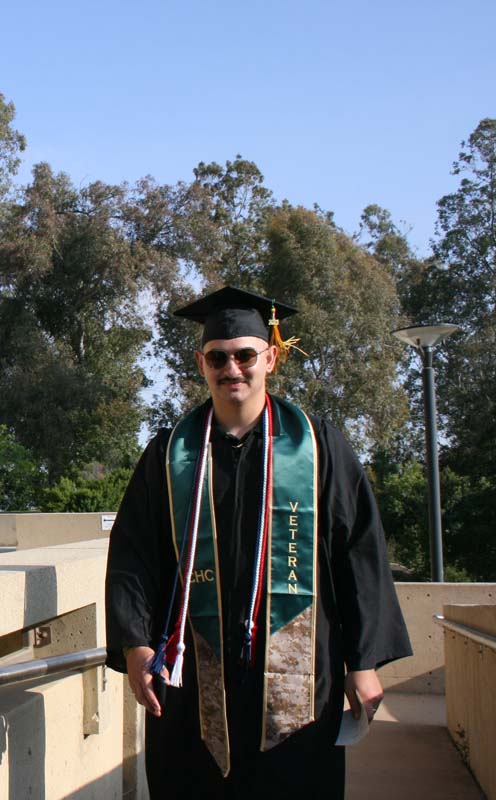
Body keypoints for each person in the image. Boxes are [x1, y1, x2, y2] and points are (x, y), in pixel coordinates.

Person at [104, 286, 412, 799]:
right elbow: (135, 555)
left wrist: (362, 664)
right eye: (218, 357)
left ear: (270, 357)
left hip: (300, 678)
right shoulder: (170, 453)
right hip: (191, 674)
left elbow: (358, 552)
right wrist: (135, 642)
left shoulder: (318, 445)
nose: (233, 368)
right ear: (201, 363)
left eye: (246, 355)